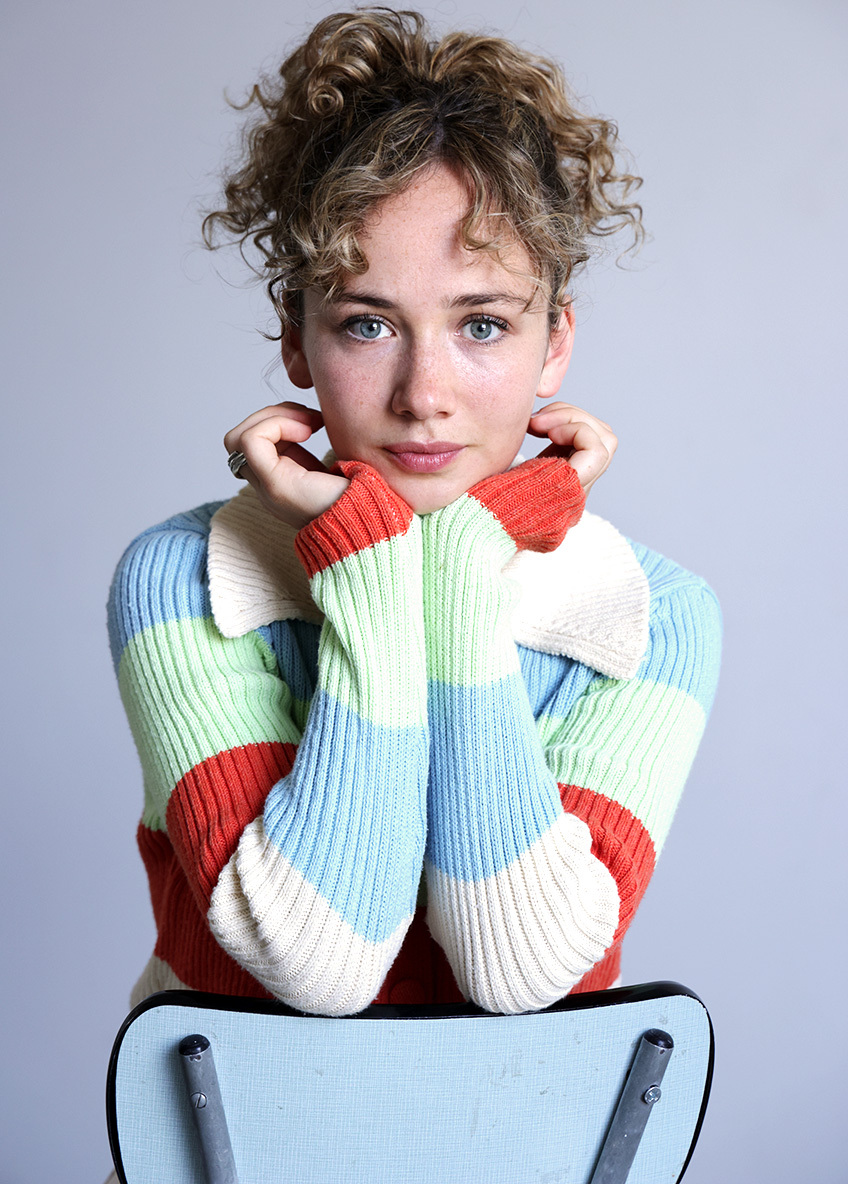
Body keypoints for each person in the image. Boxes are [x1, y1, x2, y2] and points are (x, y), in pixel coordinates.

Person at [108, 8, 721, 1023]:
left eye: (481, 323)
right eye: (367, 324)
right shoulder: (188, 579)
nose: (423, 393)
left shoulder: (651, 615)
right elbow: (318, 962)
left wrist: (463, 562)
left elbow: (520, 972)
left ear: (553, 343)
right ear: (296, 339)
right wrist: (377, 565)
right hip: (236, 1124)